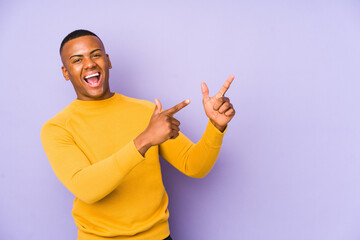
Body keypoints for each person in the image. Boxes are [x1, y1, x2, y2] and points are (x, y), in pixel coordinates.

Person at [41, 29, 235, 240]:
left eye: (96, 55)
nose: (89, 64)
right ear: (66, 72)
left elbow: (194, 165)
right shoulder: (57, 128)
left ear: (107, 61)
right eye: (77, 60)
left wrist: (215, 127)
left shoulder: (147, 112)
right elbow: (86, 189)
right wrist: (144, 140)